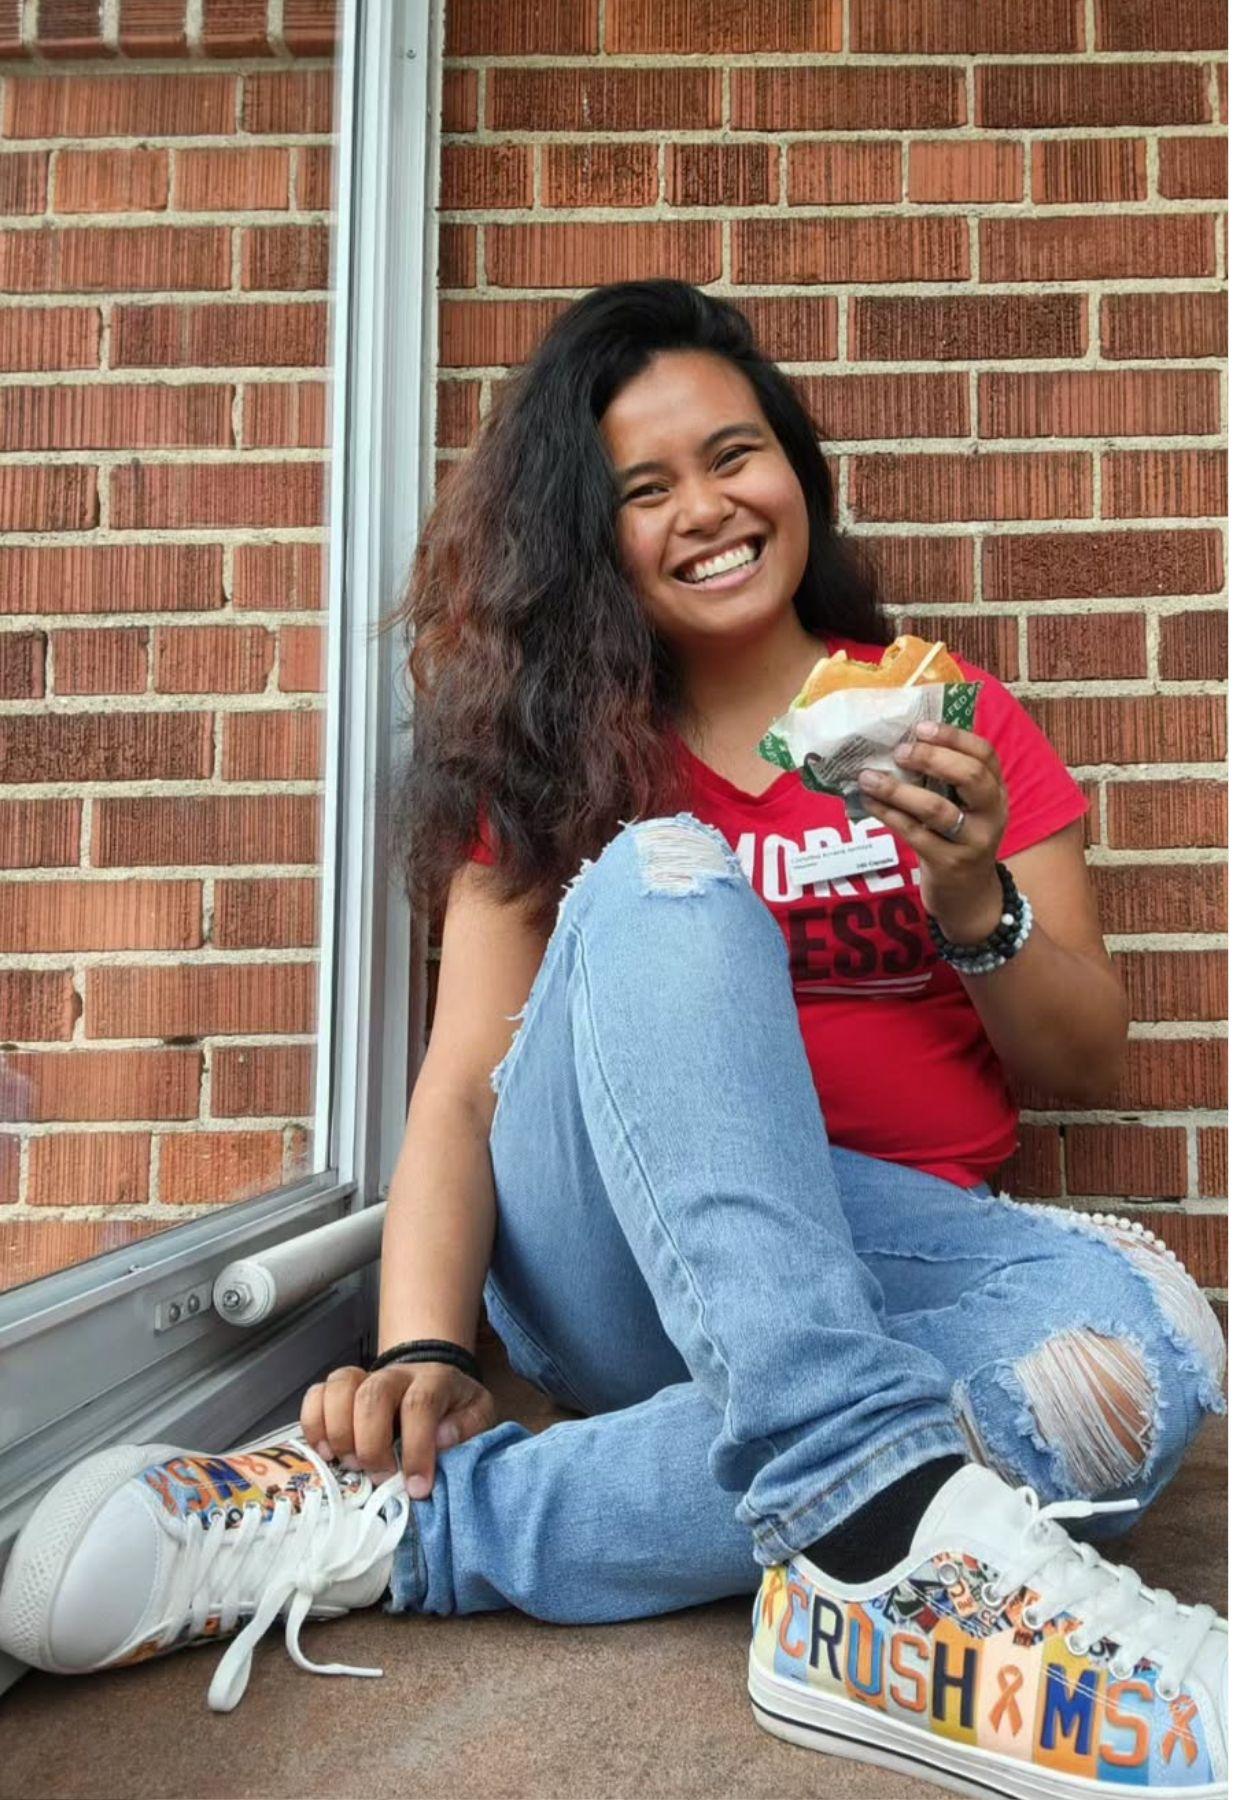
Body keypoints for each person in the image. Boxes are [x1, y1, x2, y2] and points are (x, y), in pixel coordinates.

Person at [0, 282, 1227, 1794]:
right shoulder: (563, 747)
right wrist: (427, 1347)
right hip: (613, 1259)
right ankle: (864, 1524)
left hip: (885, 1246)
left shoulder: (948, 713)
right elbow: (461, 1090)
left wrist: (967, 890)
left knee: (1141, 1350)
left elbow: (1082, 1063)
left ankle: (431, 1526)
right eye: (645, 490)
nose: (707, 509)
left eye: (735, 455)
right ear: (593, 536)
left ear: (797, 467)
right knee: (668, 877)